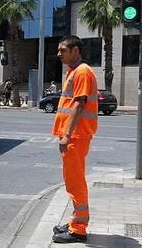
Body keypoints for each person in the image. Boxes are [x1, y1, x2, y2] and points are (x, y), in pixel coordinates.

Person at [51, 35, 99, 244]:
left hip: (76, 136)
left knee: (75, 181)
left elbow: (79, 105)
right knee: (73, 180)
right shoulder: (75, 72)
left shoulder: (81, 72)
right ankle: (74, 222)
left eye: (63, 50)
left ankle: (78, 229)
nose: (59, 54)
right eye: (59, 50)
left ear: (76, 50)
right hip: (75, 135)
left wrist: (67, 134)